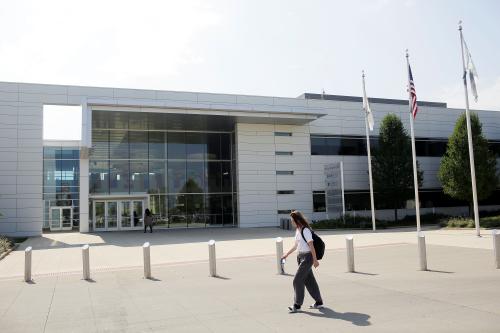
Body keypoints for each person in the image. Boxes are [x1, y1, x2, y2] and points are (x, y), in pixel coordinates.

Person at [281, 210, 323, 313]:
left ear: (297, 220)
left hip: (307, 258)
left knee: (297, 280)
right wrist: (286, 254)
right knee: (309, 281)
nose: (291, 222)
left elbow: (311, 245)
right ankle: (319, 302)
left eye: (292, 220)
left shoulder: (305, 230)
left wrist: (315, 260)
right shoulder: (298, 230)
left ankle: (297, 305)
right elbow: (296, 246)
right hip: (300, 257)